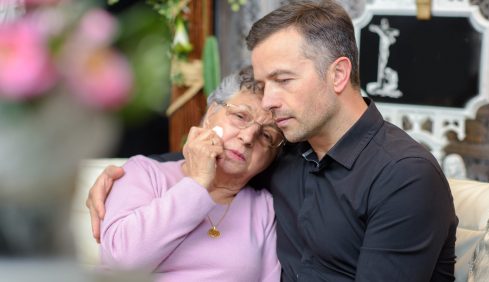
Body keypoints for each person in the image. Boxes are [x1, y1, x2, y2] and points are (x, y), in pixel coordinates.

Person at [88, 1, 458, 281]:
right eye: (265, 86)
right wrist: (120, 174)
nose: (268, 102)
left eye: (283, 80)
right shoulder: (291, 154)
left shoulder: (403, 177)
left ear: (339, 74)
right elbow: (221, 160)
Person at [98, 66, 282, 281]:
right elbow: (122, 262)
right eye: (240, 116)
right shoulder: (143, 172)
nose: (249, 137)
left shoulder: (264, 208)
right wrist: (197, 183)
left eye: (267, 136)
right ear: (211, 114)